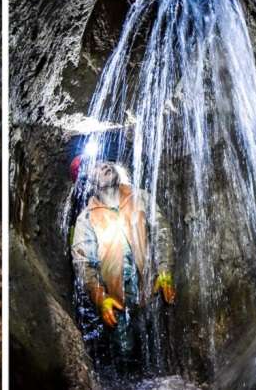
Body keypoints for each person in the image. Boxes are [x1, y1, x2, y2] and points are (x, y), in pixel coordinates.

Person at [70, 157, 176, 369]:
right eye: (97, 168)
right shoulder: (86, 219)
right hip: (116, 303)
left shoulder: (140, 198)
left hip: (150, 291)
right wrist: (100, 298)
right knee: (125, 355)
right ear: (88, 182)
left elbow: (161, 233)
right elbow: (83, 264)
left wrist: (164, 270)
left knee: (156, 348)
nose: (105, 166)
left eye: (105, 162)